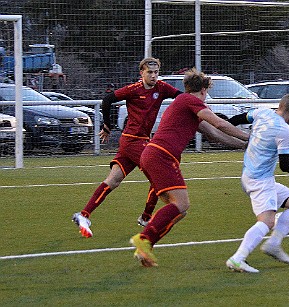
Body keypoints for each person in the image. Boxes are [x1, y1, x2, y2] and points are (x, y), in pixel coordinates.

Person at [130, 68, 250, 267]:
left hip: (153, 155)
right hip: (161, 155)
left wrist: (245, 146)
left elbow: (214, 135)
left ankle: (145, 247)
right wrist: (249, 136)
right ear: (203, 91)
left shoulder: (185, 105)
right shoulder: (190, 101)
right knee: (182, 205)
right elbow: (220, 124)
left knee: (178, 210)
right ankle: (143, 239)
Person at [72, 57, 182, 238]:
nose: (153, 76)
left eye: (156, 72)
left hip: (136, 142)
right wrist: (106, 125)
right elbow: (107, 100)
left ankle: (83, 215)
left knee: (113, 180)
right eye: (150, 73)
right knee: (159, 174)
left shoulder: (161, 88)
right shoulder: (133, 90)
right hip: (133, 140)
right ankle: (146, 217)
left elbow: (180, 96)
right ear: (142, 73)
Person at [225, 94, 289, 273]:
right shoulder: (283, 130)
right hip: (260, 181)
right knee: (267, 221)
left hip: (251, 176)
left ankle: (273, 244)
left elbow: (236, 119)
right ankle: (238, 258)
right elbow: (286, 166)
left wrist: (222, 129)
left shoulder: (262, 112)